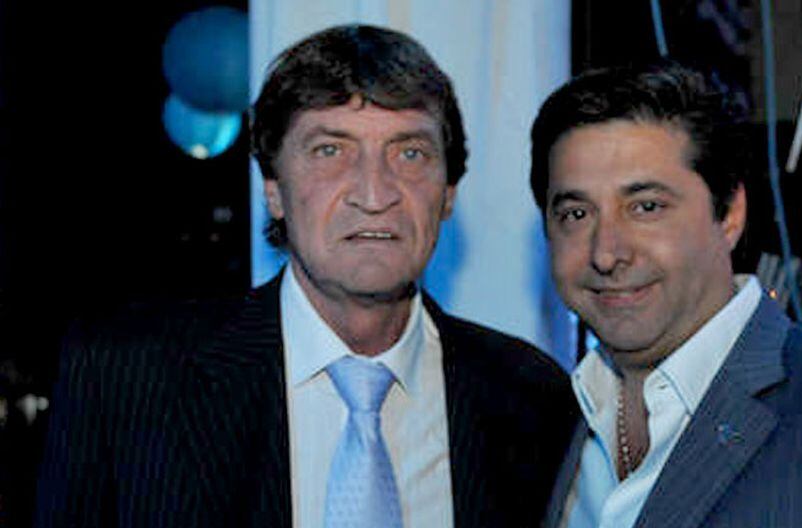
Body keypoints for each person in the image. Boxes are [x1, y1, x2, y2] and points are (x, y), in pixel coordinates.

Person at [35, 24, 577, 528]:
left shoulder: (531, 399)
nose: (374, 194)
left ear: (448, 193)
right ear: (274, 189)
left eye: (410, 153)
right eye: (330, 150)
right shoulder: (126, 378)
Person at [530, 63, 802, 528]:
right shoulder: (535, 422)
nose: (606, 253)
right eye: (576, 214)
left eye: (646, 207)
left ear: (729, 214)